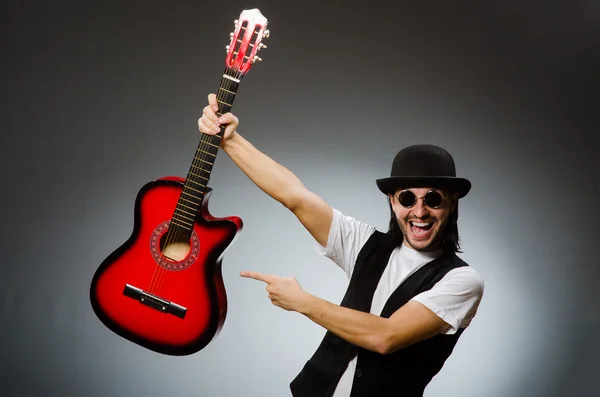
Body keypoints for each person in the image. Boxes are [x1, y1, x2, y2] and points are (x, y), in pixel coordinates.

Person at [198, 93, 484, 397]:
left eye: (434, 199)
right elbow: (295, 196)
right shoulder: (366, 244)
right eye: (407, 198)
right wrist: (229, 141)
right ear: (392, 200)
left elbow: (385, 336)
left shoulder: (463, 281)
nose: (419, 211)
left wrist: (302, 301)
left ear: (452, 204)